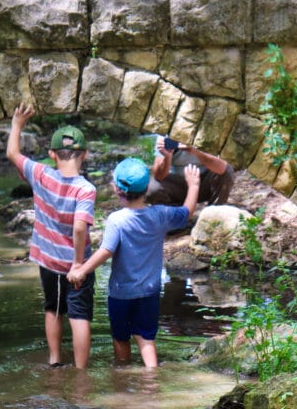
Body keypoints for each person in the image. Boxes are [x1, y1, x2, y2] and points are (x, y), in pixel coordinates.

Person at [68, 158, 201, 368]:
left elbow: (106, 251)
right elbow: (186, 212)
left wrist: (82, 269)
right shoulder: (160, 214)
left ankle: (122, 378)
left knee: (121, 339)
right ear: (147, 188)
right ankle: (151, 380)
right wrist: (193, 185)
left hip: (121, 294)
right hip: (149, 291)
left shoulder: (116, 220)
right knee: (146, 339)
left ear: (115, 188)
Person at [6, 103, 96, 369]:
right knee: (79, 316)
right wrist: (79, 264)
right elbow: (80, 227)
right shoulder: (86, 189)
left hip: (48, 261)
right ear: (84, 155)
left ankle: (55, 361)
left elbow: (12, 152)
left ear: (52, 154)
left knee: (52, 308)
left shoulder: (40, 173)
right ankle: (81, 371)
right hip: (76, 265)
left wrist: (17, 125)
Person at [147, 136, 234, 207]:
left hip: (205, 184)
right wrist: (167, 155)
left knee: (227, 171)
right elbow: (158, 176)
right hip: (178, 186)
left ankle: (215, 212)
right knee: (152, 188)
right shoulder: (166, 136)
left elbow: (223, 168)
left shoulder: (212, 132)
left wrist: (195, 151)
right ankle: (176, 214)